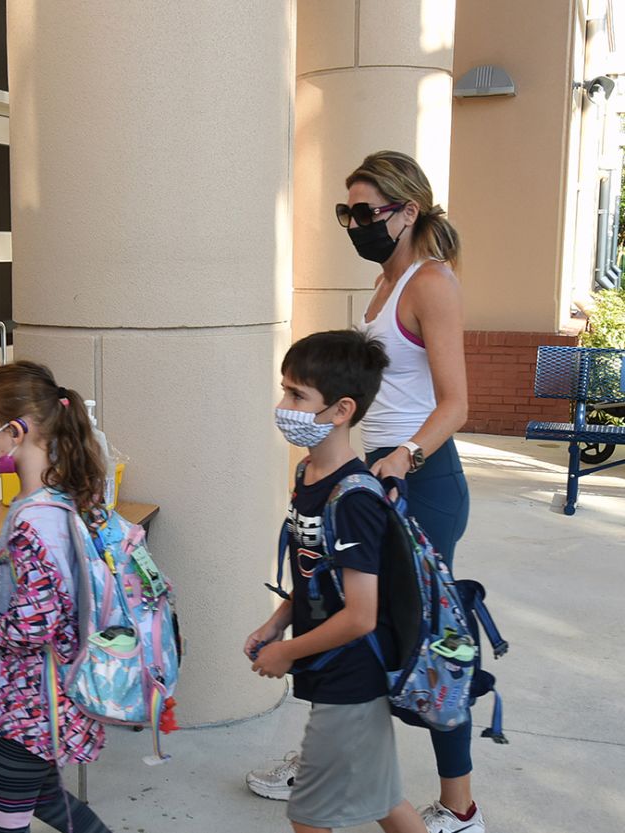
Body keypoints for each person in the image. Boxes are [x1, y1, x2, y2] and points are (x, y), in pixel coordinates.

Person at [246, 151, 479, 833]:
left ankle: (460, 806)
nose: (354, 224)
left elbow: (455, 402)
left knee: (422, 639)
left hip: (421, 479)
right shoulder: (385, 282)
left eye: (366, 211)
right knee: (345, 609)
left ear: (408, 211)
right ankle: (338, 750)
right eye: (347, 212)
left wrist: (405, 455)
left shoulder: (430, 281)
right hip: (375, 473)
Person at [245, 330, 425, 833]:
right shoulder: (307, 474)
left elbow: (361, 614)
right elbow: (314, 574)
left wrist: (289, 653)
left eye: (298, 395)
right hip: (335, 675)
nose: (284, 406)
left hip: (352, 680)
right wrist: (277, 623)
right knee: (385, 800)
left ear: (342, 409)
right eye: (285, 391)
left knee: (309, 816)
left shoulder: (354, 499)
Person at [0, 361, 113, 833]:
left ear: (15, 431)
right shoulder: (64, 497)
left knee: (3, 815)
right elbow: (32, 589)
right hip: (55, 689)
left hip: (37, 700)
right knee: (43, 798)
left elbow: (29, 627)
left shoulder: (33, 521)